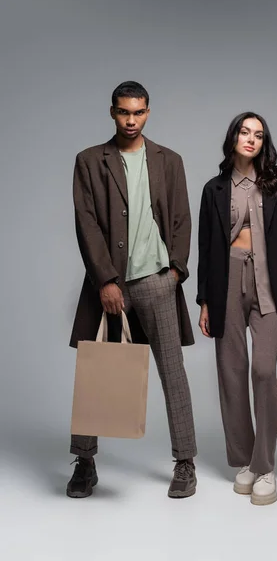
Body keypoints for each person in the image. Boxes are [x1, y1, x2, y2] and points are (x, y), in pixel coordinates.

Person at [67, 81, 197, 499]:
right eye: (124, 112)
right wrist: (105, 279)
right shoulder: (90, 161)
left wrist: (175, 271)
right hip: (110, 285)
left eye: (138, 112)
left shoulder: (168, 161)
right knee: (95, 372)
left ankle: (185, 463)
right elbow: (86, 223)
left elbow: (181, 218)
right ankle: (84, 463)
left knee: (172, 373)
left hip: (158, 280)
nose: (131, 120)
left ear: (148, 112)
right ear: (112, 112)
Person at [197, 112, 277, 505]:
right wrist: (203, 301)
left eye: (258, 135)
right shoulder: (213, 189)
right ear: (233, 137)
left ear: (264, 143)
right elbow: (206, 251)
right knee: (231, 373)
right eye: (245, 132)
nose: (251, 139)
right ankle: (247, 460)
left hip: (269, 282)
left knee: (264, 371)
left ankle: (266, 465)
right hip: (226, 283)